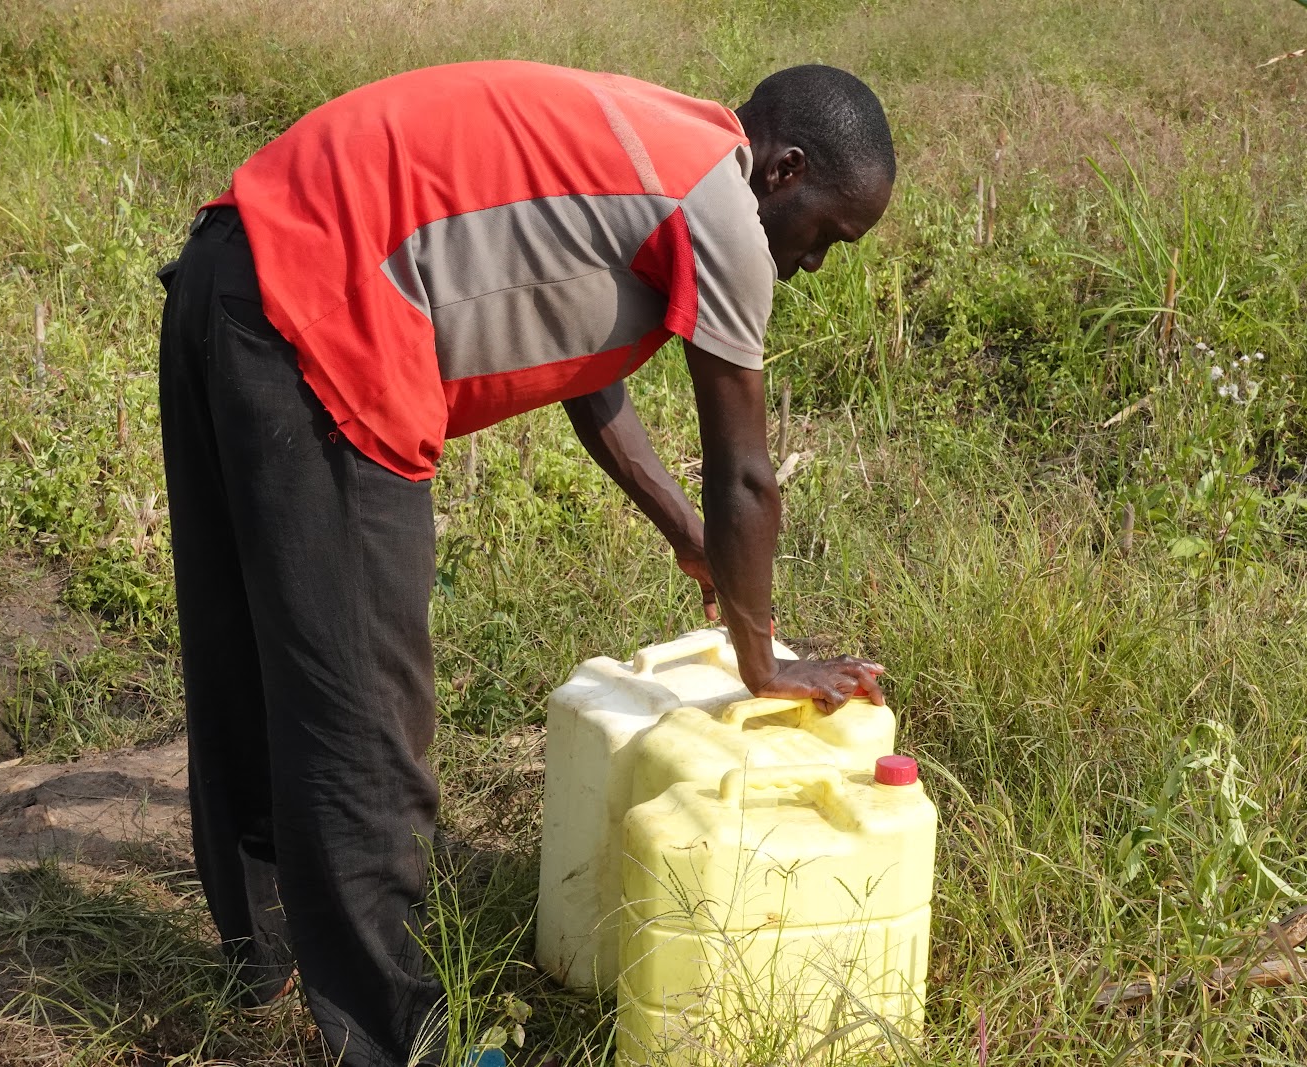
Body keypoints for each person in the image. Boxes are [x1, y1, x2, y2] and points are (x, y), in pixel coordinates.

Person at [156, 60, 895, 1066]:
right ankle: (400, 1038)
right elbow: (748, 478)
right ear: (785, 169)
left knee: (250, 643)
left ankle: (264, 948)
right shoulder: (715, 204)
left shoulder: (661, 136)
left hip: (232, 269)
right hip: (328, 319)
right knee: (366, 710)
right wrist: (761, 661)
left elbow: (584, 363)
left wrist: (680, 529)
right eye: (827, 234)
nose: (813, 264)